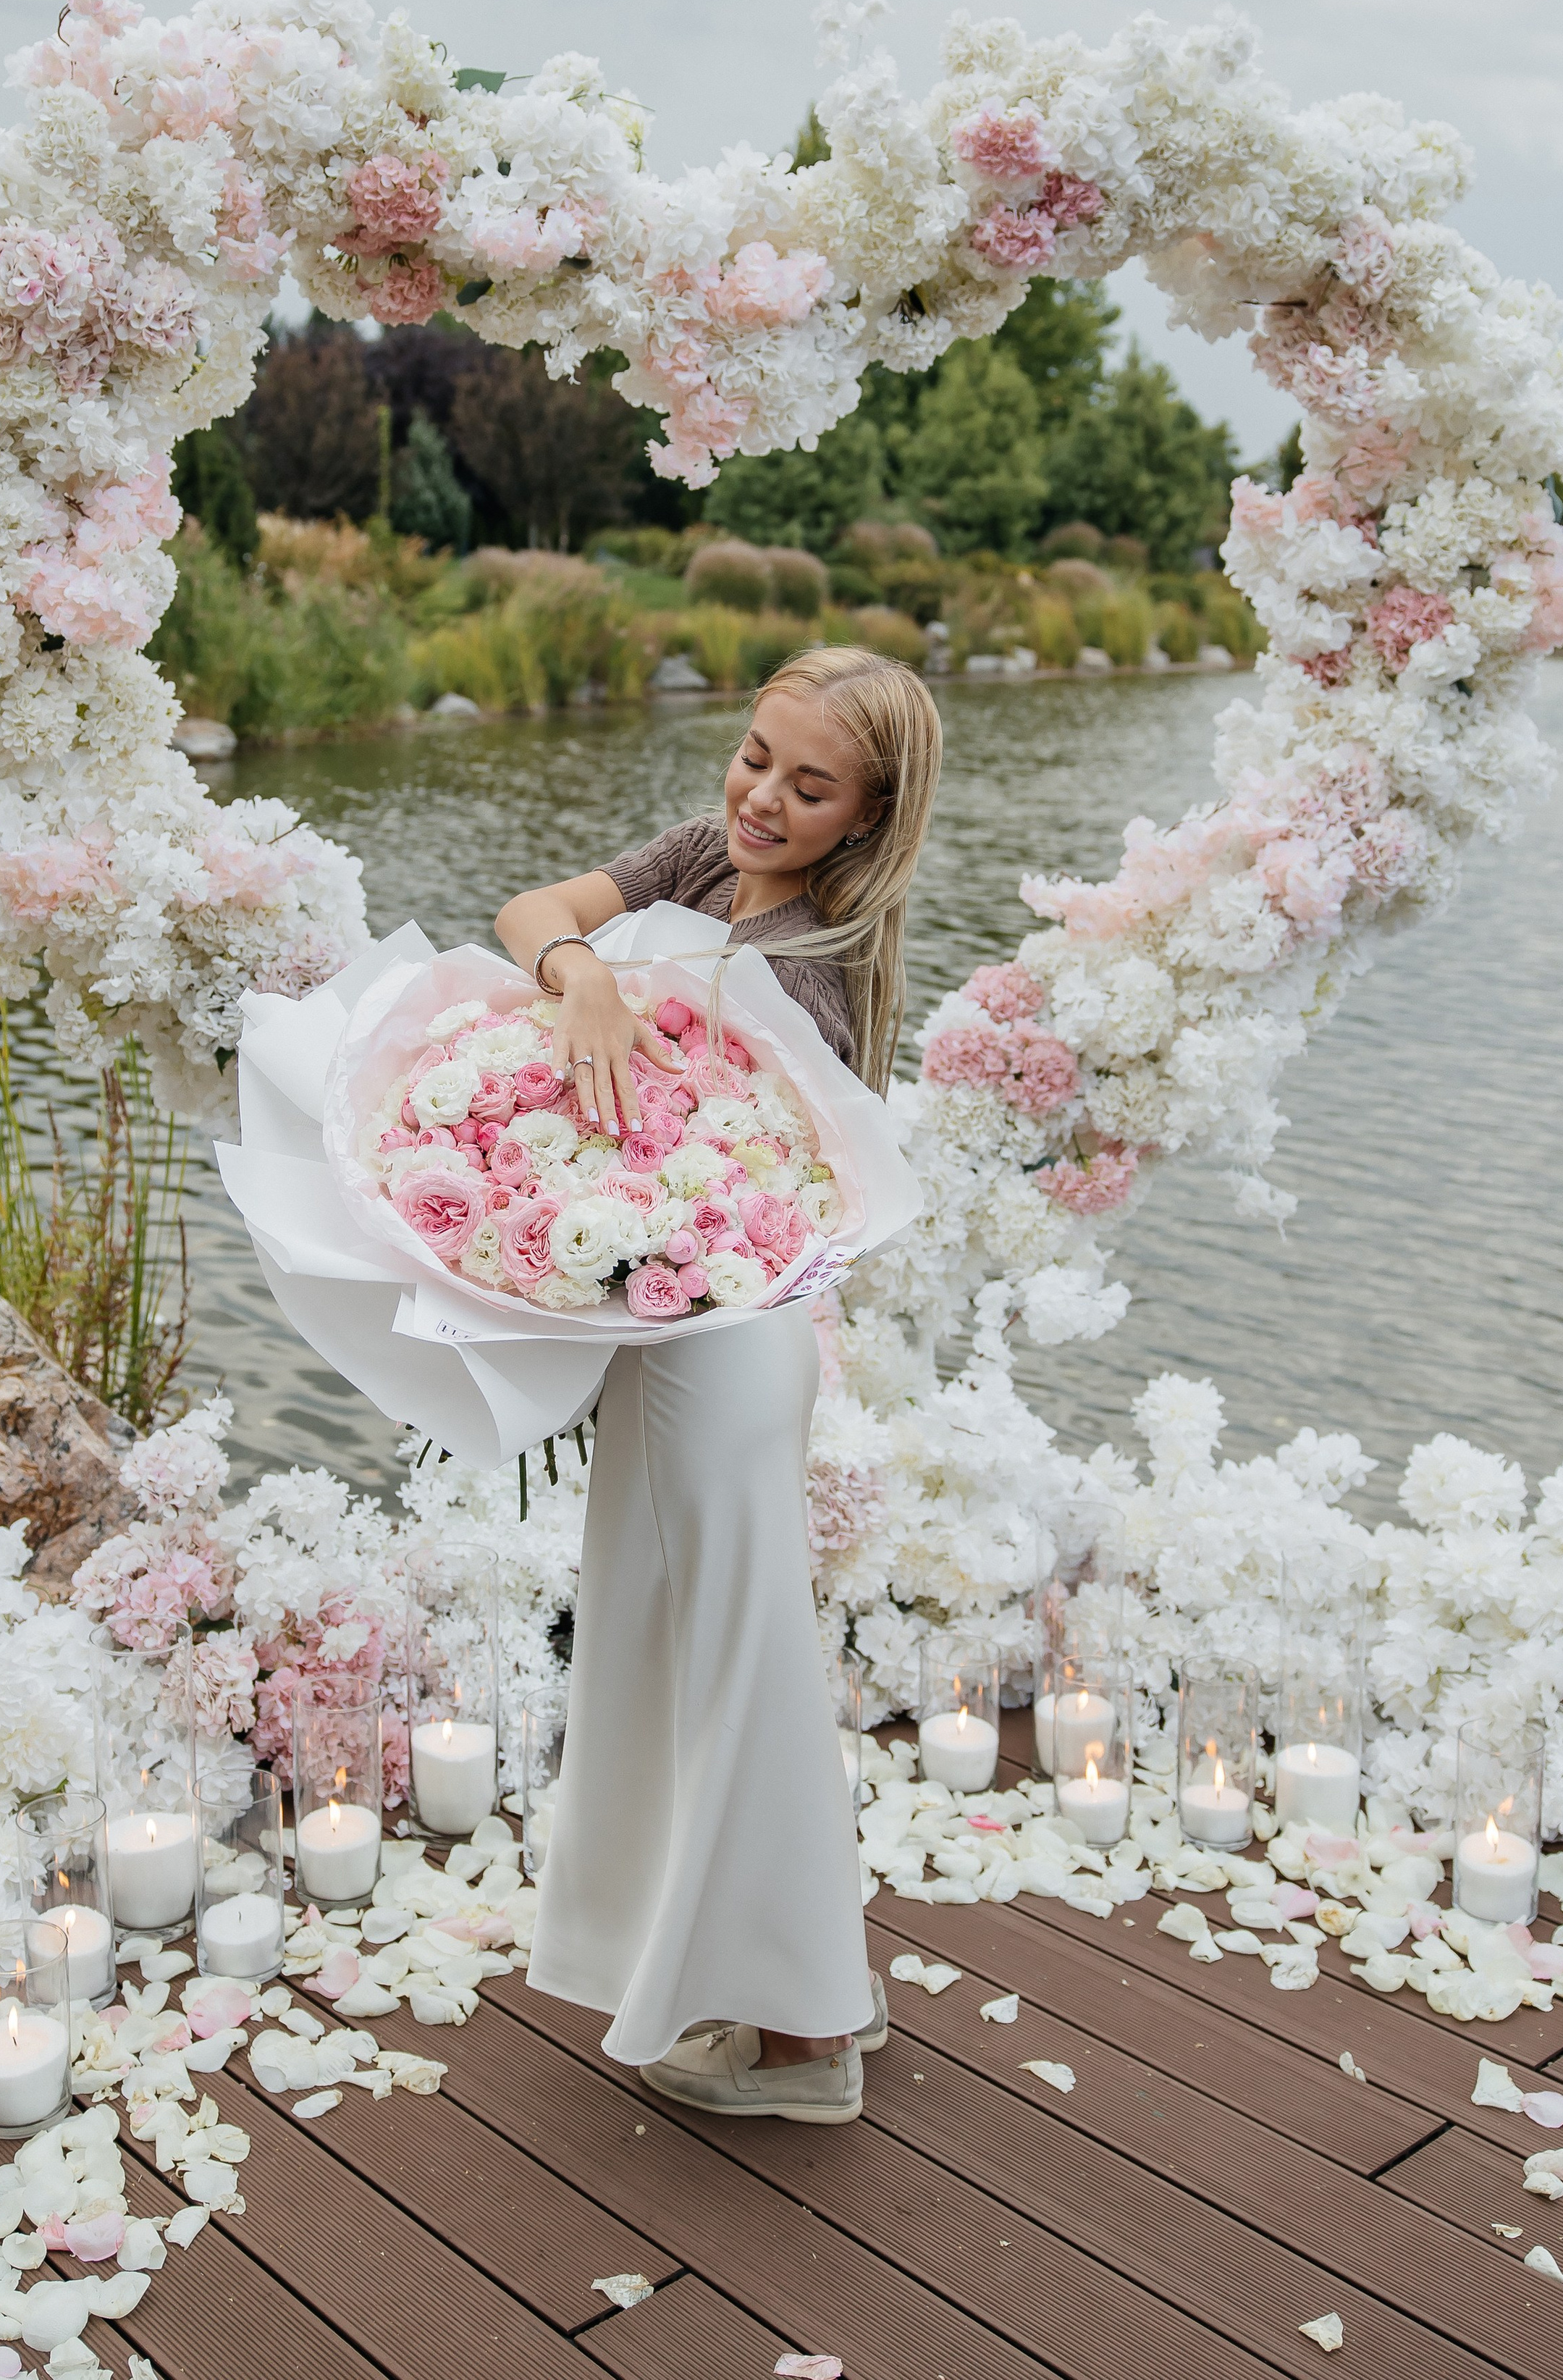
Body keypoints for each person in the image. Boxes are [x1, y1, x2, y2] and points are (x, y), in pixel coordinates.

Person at [497, 644, 943, 2123]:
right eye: (756, 754)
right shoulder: (702, 863)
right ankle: (766, 1989)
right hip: (665, 1347)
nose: (758, 795)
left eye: (808, 787)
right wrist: (583, 984)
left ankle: (804, 2038)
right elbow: (532, 913)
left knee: (738, 1667)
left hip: (726, 1353)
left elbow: (715, 1185)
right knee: (690, 1655)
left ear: (864, 823)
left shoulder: (805, 971)